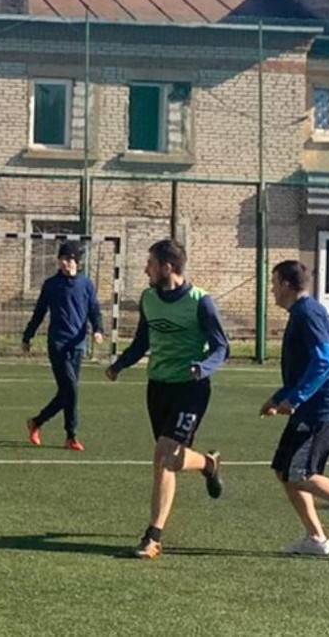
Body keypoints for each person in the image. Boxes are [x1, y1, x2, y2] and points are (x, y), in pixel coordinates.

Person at [105, 239, 229, 559]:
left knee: (163, 456)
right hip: (157, 388)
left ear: (167, 267)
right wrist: (120, 364)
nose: (145, 269)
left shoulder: (201, 302)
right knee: (169, 460)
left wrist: (203, 368)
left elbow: (221, 347)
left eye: (150, 263)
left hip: (191, 389)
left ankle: (153, 536)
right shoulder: (148, 298)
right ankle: (208, 464)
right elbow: (142, 341)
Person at [260, 260, 329, 556]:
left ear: (286, 284)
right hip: (311, 407)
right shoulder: (303, 312)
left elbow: (324, 360)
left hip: (323, 409)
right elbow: (304, 365)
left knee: (300, 473)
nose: (272, 289)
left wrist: (294, 399)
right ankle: (316, 538)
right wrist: (280, 397)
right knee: (284, 470)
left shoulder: (308, 313)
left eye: (274, 283)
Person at [22, 240, 104, 451]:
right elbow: (39, 312)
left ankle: (37, 422)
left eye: (69, 259)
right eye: (62, 259)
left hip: (77, 345)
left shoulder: (86, 285)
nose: (65, 263)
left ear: (77, 261)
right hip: (57, 344)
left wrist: (98, 329)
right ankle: (71, 435)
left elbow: (94, 310)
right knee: (71, 389)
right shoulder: (51, 285)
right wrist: (27, 336)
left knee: (67, 392)